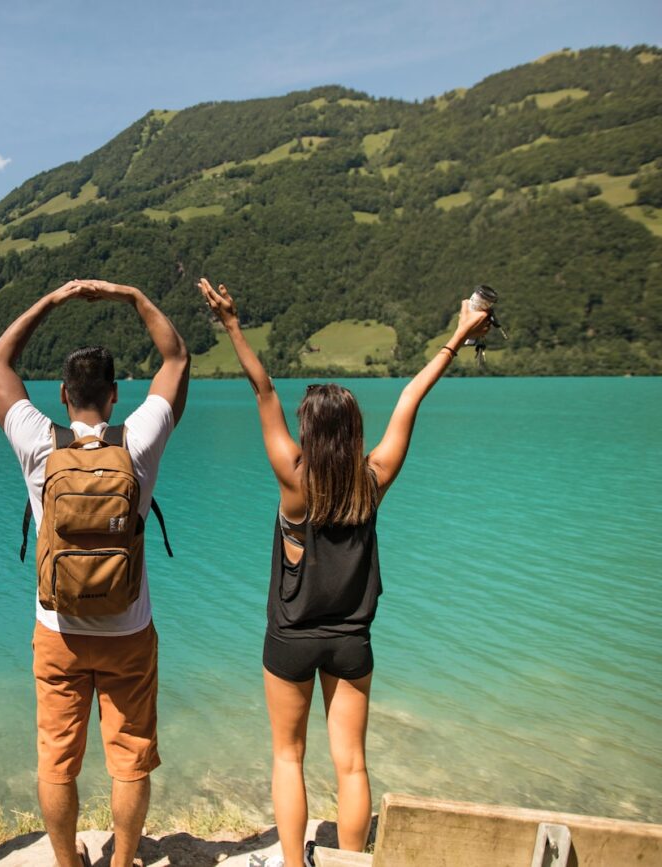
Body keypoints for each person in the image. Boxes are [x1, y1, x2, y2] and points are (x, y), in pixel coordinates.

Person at [197, 278, 490, 867]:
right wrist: (461, 331)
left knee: (288, 756)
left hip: (291, 641)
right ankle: (351, 862)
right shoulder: (372, 481)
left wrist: (230, 324)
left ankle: (292, 861)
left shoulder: (293, 479)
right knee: (351, 762)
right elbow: (410, 398)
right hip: (351, 640)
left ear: (309, 433)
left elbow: (263, 389)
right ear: (354, 435)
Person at [0, 280, 189, 867]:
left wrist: (51, 300)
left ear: (62, 394)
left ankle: (68, 862)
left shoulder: (38, 443)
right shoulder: (140, 440)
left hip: (58, 630)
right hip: (128, 630)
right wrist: (133, 297)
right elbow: (176, 357)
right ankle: (123, 862)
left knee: (57, 758)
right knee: (129, 759)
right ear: (117, 394)